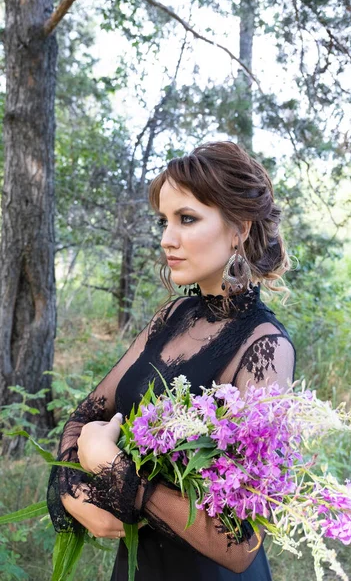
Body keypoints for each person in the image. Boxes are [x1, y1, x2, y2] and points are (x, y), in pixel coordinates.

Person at [47, 141, 296, 581]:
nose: (167, 239)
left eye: (187, 219)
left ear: (239, 227)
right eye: (164, 221)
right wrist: (74, 490)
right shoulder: (174, 315)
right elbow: (84, 415)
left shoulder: (264, 348)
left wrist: (115, 471)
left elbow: (241, 542)